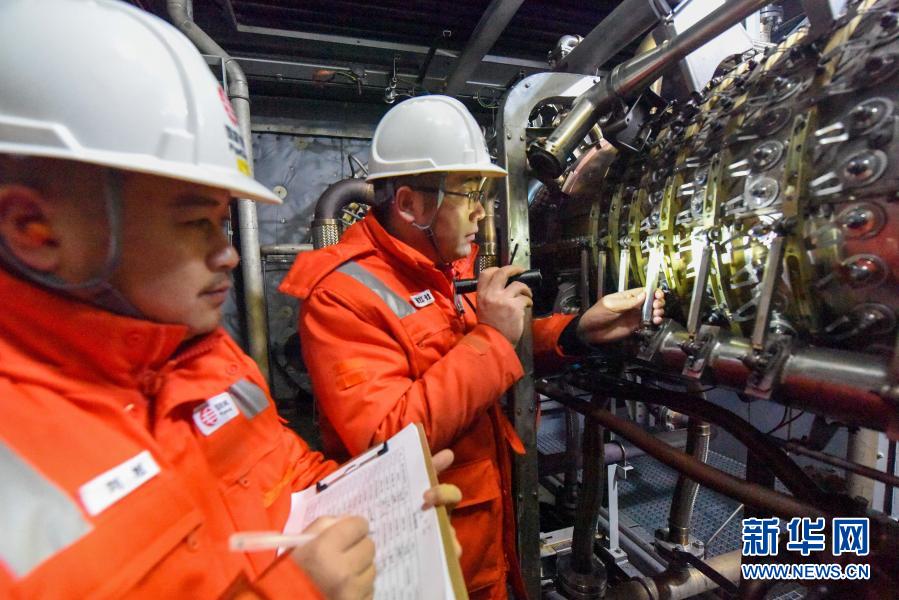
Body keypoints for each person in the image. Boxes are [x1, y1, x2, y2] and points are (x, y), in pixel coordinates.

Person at [0, 1, 459, 598]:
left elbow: (289, 477)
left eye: (223, 221)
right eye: (196, 222)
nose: (230, 255)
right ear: (36, 230)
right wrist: (297, 592)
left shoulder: (205, 356)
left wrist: (381, 510)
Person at [281, 95, 665, 599]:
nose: (482, 212)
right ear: (410, 204)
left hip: (486, 518)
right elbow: (385, 437)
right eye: (468, 194)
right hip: (430, 544)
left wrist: (577, 331)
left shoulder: (445, 266)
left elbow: (484, 353)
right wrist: (492, 337)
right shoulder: (341, 295)